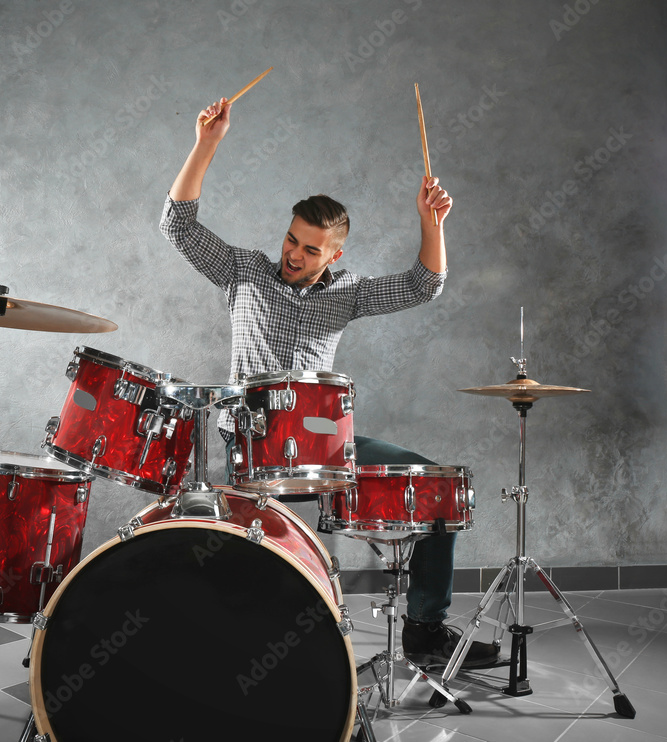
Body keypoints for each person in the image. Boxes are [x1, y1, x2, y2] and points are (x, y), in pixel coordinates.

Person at [159, 96, 498, 669]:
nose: (293, 254)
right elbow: (177, 225)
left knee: (436, 488)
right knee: (230, 557)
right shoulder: (243, 271)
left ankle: (423, 633)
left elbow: (424, 286)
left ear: (335, 254)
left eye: (310, 249)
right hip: (254, 449)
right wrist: (206, 143)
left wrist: (430, 223)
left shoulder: (349, 291)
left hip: (326, 450)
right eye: (292, 239)